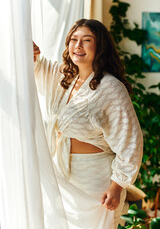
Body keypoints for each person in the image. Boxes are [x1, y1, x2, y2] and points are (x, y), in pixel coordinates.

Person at [34, 19, 143, 229]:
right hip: (63, 175)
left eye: (86, 40)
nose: (78, 45)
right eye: (74, 40)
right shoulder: (64, 79)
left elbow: (131, 141)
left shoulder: (111, 88)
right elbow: (38, 66)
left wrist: (117, 185)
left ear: (100, 46)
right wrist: (29, 50)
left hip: (96, 179)